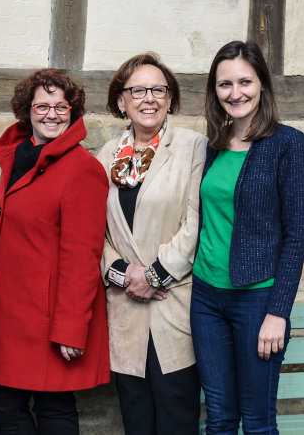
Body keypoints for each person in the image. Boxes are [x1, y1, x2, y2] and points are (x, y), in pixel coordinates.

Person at [0, 69, 109, 434]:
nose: (52, 114)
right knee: (3, 402)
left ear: (73, 111)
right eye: (42, 105)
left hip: (48, 320)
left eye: (61, 106)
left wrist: (72, 327)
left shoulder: (84, 170)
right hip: (9, 313)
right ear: (27, 111)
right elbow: (18, 218)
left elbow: (84, 256)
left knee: (54, 407)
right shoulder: (20, 156)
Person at [191, 40, 304, 434]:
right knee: (220, 417)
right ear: (215, 90)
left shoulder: (287, 144)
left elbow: (295, 237)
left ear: (262, 85)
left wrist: (278, 312)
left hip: (257, 300)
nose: (235, 92)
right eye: (225, 84)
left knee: (258, 422)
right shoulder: (212, 146)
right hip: (206, 297)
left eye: (245, 81)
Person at [97, 53, 206, 434]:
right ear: (121, 101)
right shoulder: (106, 157)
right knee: (137, 420)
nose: (149, 98)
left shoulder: (193, 146)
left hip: (172, 306)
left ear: (171, 98)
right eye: (138, 90)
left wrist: (155, 276)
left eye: (159, 89)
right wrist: (124, 275)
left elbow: (195, 223)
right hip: (125, 309)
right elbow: (95, 234)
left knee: (177, 419)